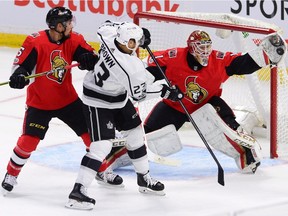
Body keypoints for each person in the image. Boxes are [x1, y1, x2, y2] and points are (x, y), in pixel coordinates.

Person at [95, 30, 286, 176]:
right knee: (146, 137)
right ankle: (112, 157)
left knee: (229, 127)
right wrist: (127, 74)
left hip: (207, 103)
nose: (205, 51)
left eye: (207, 47)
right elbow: (146, 72)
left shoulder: (218, 60)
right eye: (200, 47)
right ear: (191, 48)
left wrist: (264, 55)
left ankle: (247, 155)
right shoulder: (173, 57)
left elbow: (241, 64)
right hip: (175, 106)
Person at [65, 21, 182, 210]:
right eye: (132, 43)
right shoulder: (130, 69)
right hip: (97, 100)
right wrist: (164, 91)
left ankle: (143, 178)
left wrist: (140, 34)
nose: (135, 46)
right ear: (125, 42)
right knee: (101, 146)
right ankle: (77, 192)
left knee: (136, 135)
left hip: (117, 97)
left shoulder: (110, 36)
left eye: (136, 42)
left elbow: (104, 26)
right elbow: (139, 94)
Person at [1, 6, 102, 195]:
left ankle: (103, 170)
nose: (72, 25)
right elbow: (20, 66)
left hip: (68, 101)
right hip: (40, 103)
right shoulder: (35, 41)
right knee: (28, 142)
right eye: (69, 23)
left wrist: (89, 59)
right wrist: (19, 76)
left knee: (92, 136)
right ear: (58, 26)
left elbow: (88, 56)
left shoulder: (74, 39)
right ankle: (11, 173)